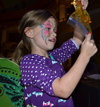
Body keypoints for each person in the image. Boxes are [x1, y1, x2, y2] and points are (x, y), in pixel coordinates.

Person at [10, 0, 97, 107]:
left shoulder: (54, 57)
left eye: (55, 30)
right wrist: (84, 56)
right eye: (48, 28)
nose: (54, 34)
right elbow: (63, 90)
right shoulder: (28, 63)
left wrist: (80, 11)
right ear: (29, 32)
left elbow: (77, 40)